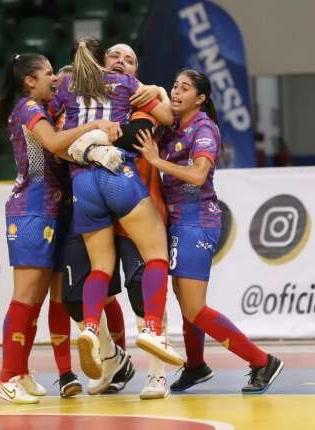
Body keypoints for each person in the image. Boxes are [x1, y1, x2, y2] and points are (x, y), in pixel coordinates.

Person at [135, 69, 284, 394]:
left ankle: (262, 361)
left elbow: (199, 175)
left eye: (184, 89)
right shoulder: (172, 125)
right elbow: (154, 98)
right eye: (175, 86)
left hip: (197, 220)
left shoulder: (204, 128)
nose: (176, 92)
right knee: (184, 299)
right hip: (177, 221)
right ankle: (196, 366)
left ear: (200, 98)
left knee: (193, 307)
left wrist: (157, 162)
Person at [49, 37, 184, 381]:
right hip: (117, 174)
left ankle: (91, 329)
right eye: (115, 55)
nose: (122, 61)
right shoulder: (127, 84)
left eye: (129, 58)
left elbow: (52, 137)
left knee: (100, 266)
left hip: (82, 182)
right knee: (155, 254)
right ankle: (152, 328)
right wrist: (157, 92)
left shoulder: (65, 84)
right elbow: (168, 117)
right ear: (103, 60)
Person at [0, 52, 122, 404]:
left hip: (51, 211)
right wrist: (94, 126)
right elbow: (51, 143)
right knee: (25, 297)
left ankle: (20, 370)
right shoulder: (28, 108)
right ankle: (6, 377)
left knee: (36, 301)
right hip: (31, 211)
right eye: (48, 73)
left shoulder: (44, 108)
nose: (54, 78)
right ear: (29, 81)